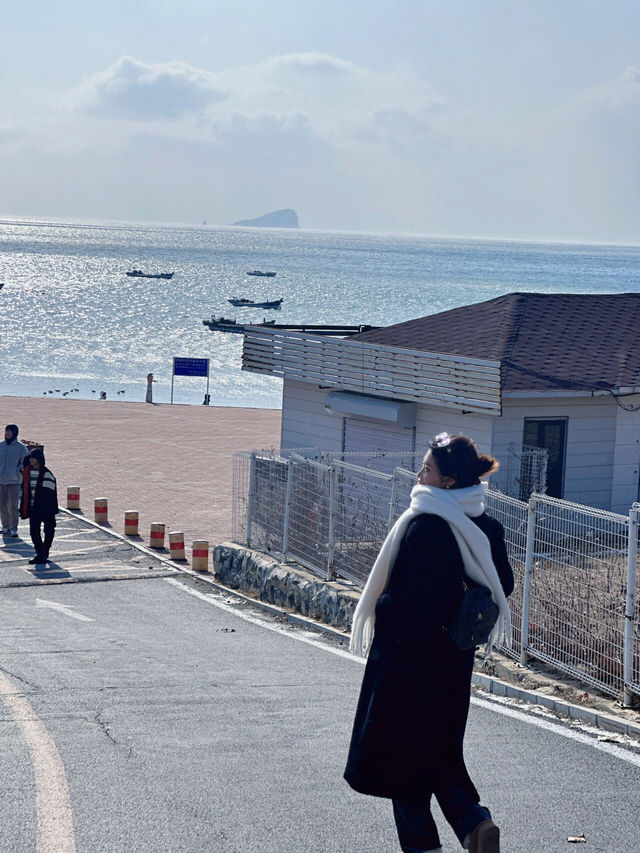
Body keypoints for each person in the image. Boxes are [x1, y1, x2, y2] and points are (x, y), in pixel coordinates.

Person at [344, 433, 514, 853]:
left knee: (401, 760)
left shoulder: (424, 524)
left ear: (450, 480)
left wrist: (382, 608)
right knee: (437, 751)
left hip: (407, 663)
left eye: (427, 469)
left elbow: (408, 601)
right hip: (454, 662)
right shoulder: (486, 525)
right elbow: (502, 585)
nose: (419, 475)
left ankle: (430, 845)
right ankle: (475, 825)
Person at [20, 448, 59, 565]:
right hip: (33, 509)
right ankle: (40, 552)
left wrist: (45, 508)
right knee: (34, 532)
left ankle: (44, 552)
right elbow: (25, 491)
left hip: (46, 509)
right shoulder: (27, 472)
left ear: (39, 459)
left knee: (49, 530)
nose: (32, 461)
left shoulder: (47, 474)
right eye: (30, 458)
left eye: (34, 458)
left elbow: (48, 495)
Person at [0, 424, 28, 536]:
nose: (7, 434)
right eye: (6, 431)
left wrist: (17, 473)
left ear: (15, 433)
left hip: (14, 482)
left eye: (10, 432)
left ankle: (13, 528)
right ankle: (5, 526)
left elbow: (24, 464)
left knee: (12, 505)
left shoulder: (21, 448)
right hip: (1, 481)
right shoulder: (1, 446)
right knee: (2, 505)